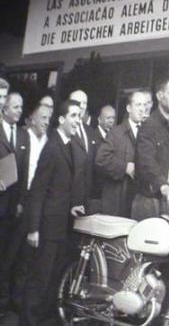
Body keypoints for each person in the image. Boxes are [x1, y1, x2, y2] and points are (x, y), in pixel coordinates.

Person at [20, 100, 85, 326]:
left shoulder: (67, 145)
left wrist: (70, 207)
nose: (78, 120)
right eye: (74, 116)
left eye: (79, 116)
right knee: (40, 280)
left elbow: (59, 189)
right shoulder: (52, 147)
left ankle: (42, 320)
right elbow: (38, 190)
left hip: (60, 226)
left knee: (52, 280)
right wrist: (33, 229)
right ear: (62, 119)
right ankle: (27, 322)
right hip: (46, 228)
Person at [133, 74, 169, 310]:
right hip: (150, 203)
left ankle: (165, 318)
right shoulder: (148, 125)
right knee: (147, 269)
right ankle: (139, 315)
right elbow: (146, 164)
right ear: (159, 96)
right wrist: (164, 187)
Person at [96, 91, 150, 217]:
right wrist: (125, 167)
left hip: (139, 202)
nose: (142, 109)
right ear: (129, 108)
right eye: (138, 105)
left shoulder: (148, 133)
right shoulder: (116, 132)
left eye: (144, 105)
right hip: (117, 200)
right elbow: (101, 159)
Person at [0, 92, 30, 318]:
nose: (20, 111)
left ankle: (3, 304)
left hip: (12, 209)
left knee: (8, 257)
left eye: (21, 107)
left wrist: (20, 202)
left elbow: (24, 171)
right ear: (5, 109)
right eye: (16, 107)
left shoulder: (22, 135)